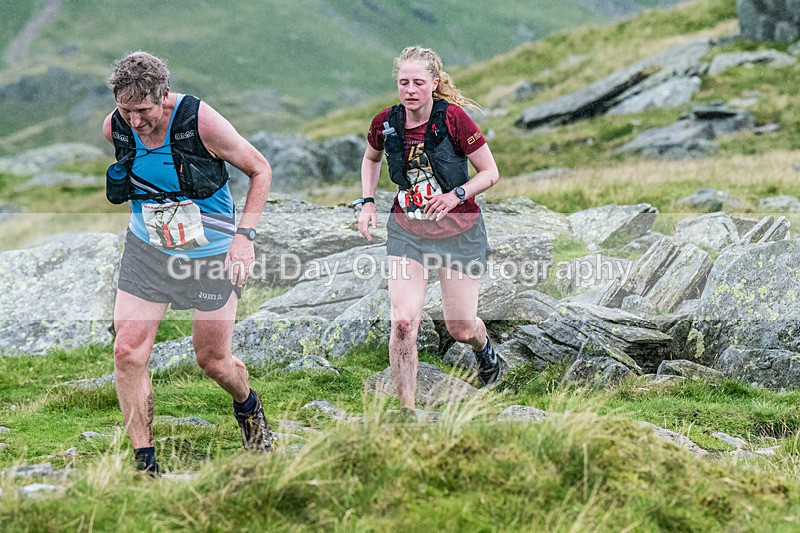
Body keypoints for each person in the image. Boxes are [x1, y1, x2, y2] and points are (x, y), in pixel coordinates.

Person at [102, 51, 273, 476]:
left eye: (143, 111)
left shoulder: (200, 121)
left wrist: (244, 238)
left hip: (211, 254)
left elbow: (260, 169)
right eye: (127, 111)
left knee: (212, 360)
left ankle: (248, 407)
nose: (136, 122)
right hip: (149, 251)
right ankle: (146, 466)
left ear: (164, 95)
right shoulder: (116, 126)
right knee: (127, 350)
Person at [357, 45, 504, 414]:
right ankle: (408, 411)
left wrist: (457, 194)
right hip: (408, 231)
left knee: (461, 328)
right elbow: (371, 158)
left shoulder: (454, 119)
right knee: (404, 321)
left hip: (459, 230)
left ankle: (485, 350)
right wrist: (368, 201)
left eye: (418, 82)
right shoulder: (385, 122)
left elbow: (490, 173)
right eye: (403, 82)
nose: (409, 90)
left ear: (434, 84)